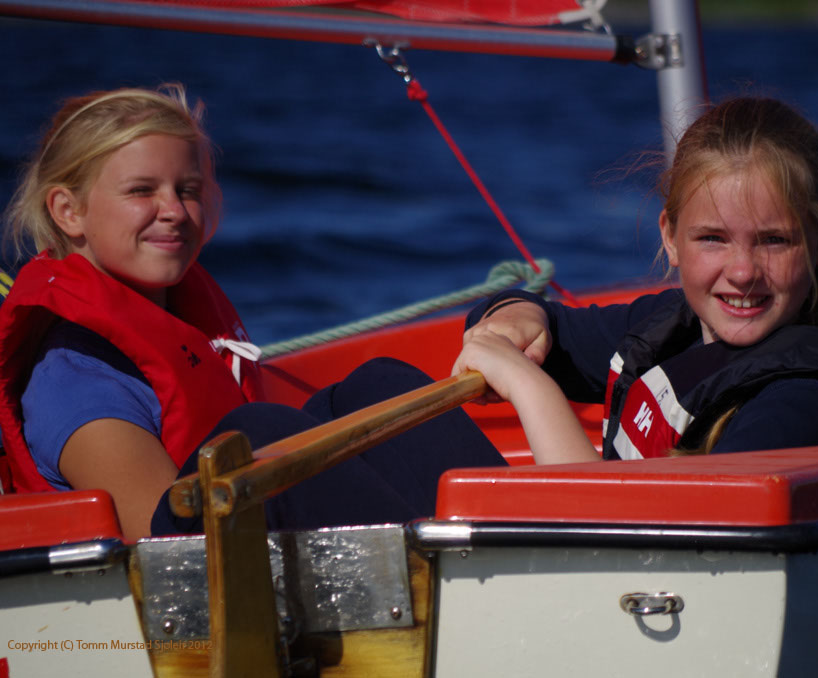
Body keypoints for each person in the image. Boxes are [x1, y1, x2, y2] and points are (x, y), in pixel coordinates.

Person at [0, 84, 505, 541]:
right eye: (141, 191)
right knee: (259, 432)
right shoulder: (76, 379)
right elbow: (161, 552)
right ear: (68, 211)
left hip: (235, 540)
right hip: (191, 589)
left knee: (375, 386)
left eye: (188, 190)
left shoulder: (176, 318)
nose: (174, 210)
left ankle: (505, 535)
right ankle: (446, 574)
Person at [453, 97, 818, 462]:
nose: (742, 272)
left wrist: (529, 389)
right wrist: (515, 316)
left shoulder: (805, 405)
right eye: (713, 239)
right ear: (671, 238)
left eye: (774, 241)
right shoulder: (673, 328)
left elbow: (610, 539)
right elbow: (537, 325)